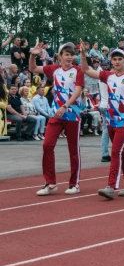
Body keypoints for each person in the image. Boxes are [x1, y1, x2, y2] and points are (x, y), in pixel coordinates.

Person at [80, 43, 124, 200]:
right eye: (114, 59)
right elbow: (86, 70)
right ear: (111, 61)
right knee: (122, 152)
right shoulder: (107, 75)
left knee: (115, 151)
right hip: (110, 120)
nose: (117, 62)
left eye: (119, 59)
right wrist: (82, 55)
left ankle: (111, 186)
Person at [29, 42, 84, 195]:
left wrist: (65, 106)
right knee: (47, 145)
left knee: (73, 150)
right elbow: (33, 68)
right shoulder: (54, 69)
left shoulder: (78, 71)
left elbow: (77, 92)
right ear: (60, 56)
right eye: (66, 54)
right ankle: (50, 183)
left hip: (72, 114)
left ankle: (74, 184)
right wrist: (33, 54)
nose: (69, 57)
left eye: (71, 54)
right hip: (56, 114)